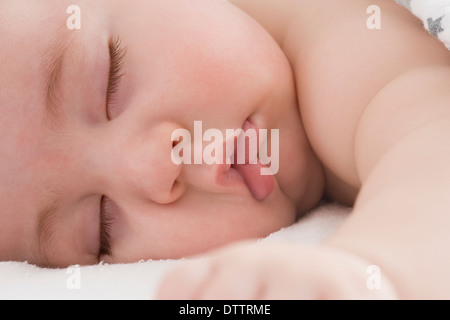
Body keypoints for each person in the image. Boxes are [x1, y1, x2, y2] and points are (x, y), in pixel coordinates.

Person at [0, 0, 449, 299]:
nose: (156, 167)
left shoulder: (341, 48)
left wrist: (372, 268)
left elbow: (432, 142)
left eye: (109, 84)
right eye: (101, 228)